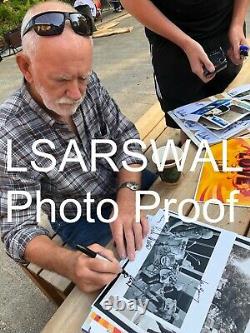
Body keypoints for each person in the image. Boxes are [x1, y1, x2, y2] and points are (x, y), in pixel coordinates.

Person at [0, 1, 156, 293]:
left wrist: (127, 195)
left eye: (82, 77)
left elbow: (126, 138)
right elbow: (17, 228)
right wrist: (71, 264)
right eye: (60, 80)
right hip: (78, 214)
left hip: (120, 182)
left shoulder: (86, 82)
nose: (75, 93)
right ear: (25, 67)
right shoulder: (8, 132)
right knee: (132, 283)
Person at [120, 0, 249, 129]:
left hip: (227, 26)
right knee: (190, 124)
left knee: (237, 116)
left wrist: (237, 24)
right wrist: (185, 44)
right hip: (172, 38)